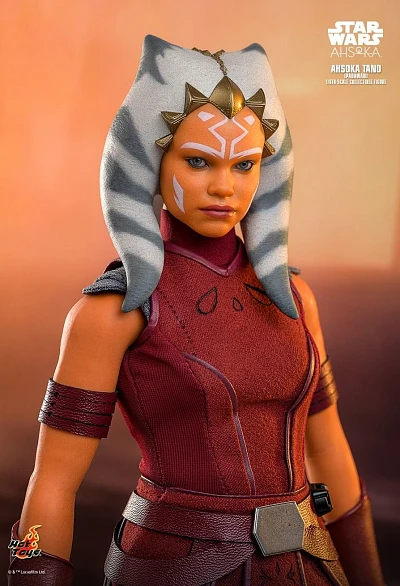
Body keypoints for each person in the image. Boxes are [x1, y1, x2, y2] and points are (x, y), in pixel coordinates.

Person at [8, 35, 384, 586]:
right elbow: (53, 483)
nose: (224, 187)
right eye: (199, 161)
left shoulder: (295, 298)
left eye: (245, 164)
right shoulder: (114, 311)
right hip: (174, 568)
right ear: (151, 159)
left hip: (307, 566)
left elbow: (331, 459)